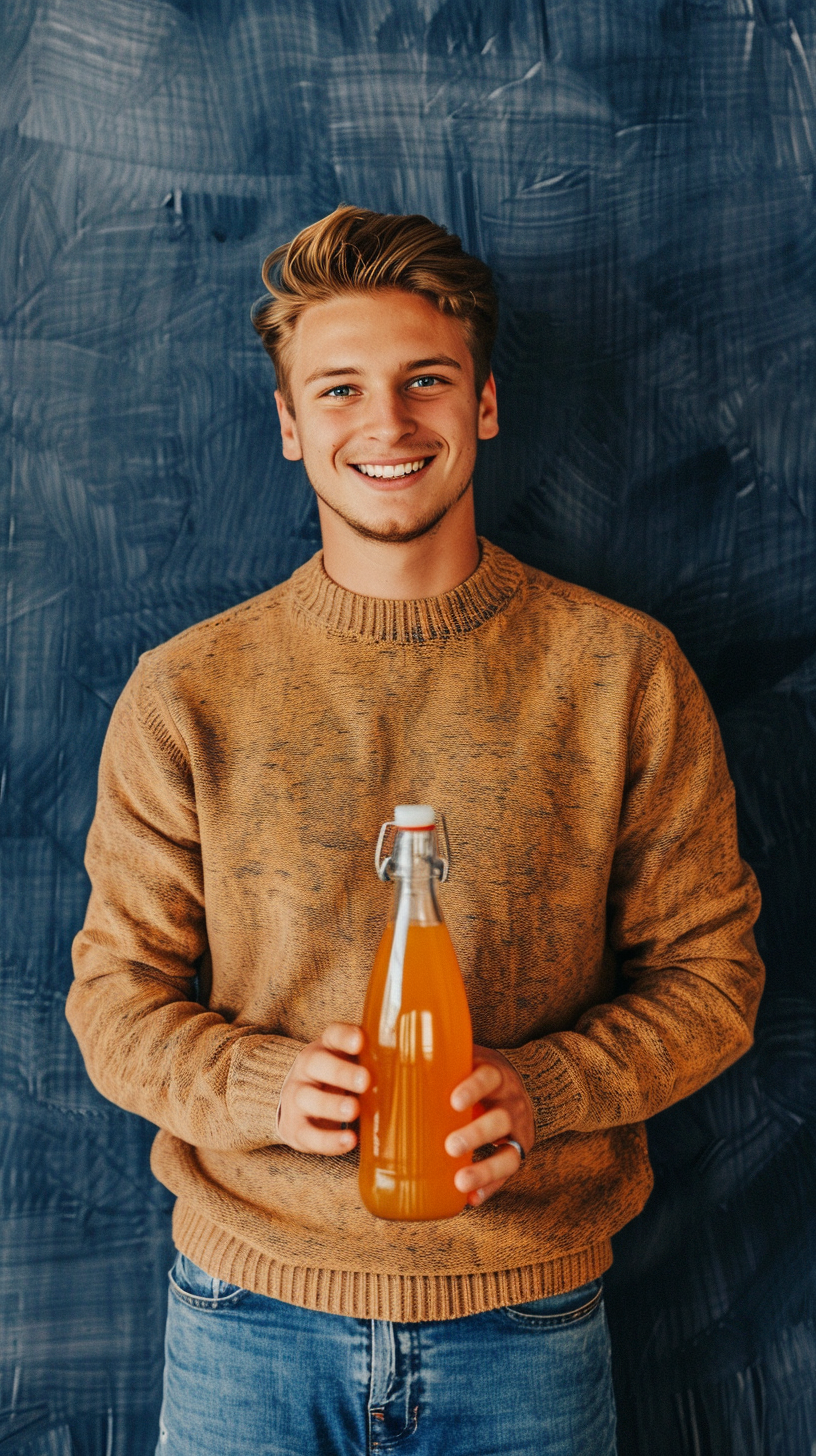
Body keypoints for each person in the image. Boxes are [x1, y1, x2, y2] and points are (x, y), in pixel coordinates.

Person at [67, 206, 764, 1456]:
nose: (386, 426)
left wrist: (542, 1089)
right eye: (338, 389)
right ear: (291, 426)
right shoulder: (188, 692)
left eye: (424, 382)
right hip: (245, 1322)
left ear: (484, 406)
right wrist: (266, 1088)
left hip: (529, 1326)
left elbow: (715, 981)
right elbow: (113, 1001)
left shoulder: (621, 673)